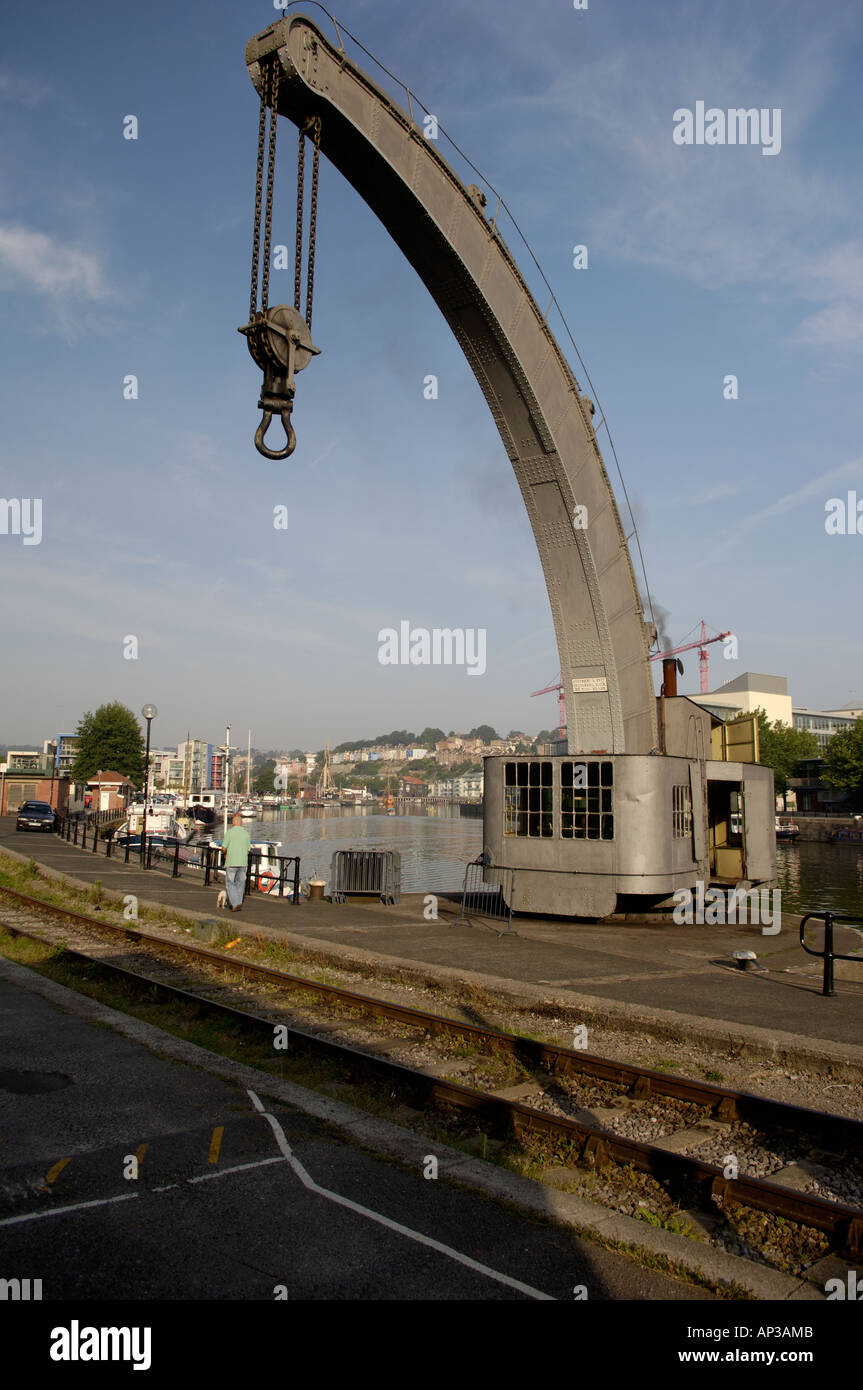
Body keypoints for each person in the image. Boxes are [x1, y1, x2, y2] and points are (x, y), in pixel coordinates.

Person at [220, 812, 251, 912]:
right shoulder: (246, 833)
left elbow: (223, 848)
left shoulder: (229, 833)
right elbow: (248, 850)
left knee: (230, 883)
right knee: (240, 883)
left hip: (231, 861)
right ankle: (239, 902)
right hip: (243, 862)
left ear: (233, 823)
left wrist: (225, 853)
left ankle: (235, 903)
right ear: (241, 823)